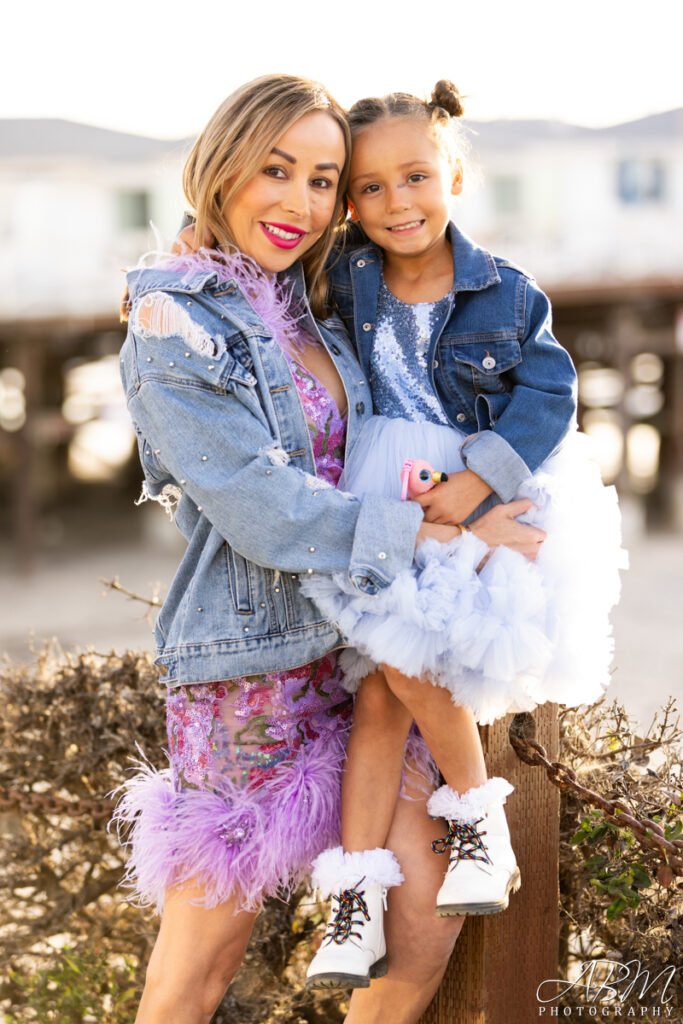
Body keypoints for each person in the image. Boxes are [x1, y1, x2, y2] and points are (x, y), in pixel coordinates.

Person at [113, 75, 543, 1024]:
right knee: (196, 970)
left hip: (365, 650)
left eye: (321, 179)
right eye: (276, 171)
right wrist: (439, 529)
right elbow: (260, 507)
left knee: (420, 925)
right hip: (255, 673)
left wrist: (497, 481)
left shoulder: (309, 292)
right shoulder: (172, 322)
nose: (300, 204)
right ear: (221, 162)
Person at [303, 81, 626, 989]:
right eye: (368, 188)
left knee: (406, 660)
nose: (395, 203)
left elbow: (550, 394)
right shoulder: (342, 277)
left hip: (468, 493)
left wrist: (483, 482)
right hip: (378, 495)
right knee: (378, 695)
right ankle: (354, 906)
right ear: (348, 202)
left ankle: (478, 819)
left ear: (452, 174)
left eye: (414, 177)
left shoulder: (507, 293)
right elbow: (251, 267)